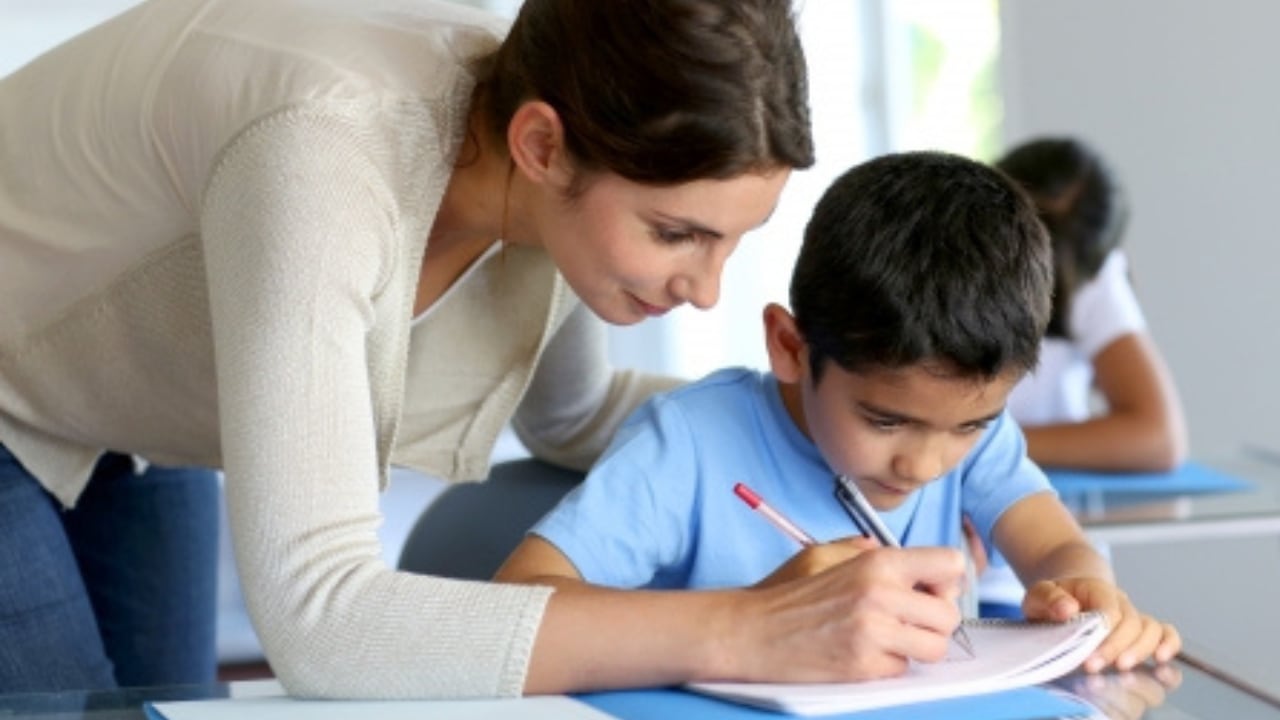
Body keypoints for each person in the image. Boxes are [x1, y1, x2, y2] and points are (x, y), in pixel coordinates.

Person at [0, 0, 947, 700]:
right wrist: (748, 630)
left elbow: (575, 415)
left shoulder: (531, 161)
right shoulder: (324, 158)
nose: (705, 289)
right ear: (542, 145)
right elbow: (321, 622)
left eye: (731, 241)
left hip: (118, 407)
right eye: (675, 234)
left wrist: (882, 429)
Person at [496, 151, 1183, 676]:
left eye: (970, 425)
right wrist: (758, 614)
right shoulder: (688, 443)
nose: (925, 464)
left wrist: (1088, 594)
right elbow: (515, 603)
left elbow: (1056, 547)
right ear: (791, 347)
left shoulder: (977, 442)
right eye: (886, 421)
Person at [973, 137, 1189, 617]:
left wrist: (981, 446)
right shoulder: (960, 263)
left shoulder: (1096, 277)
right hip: (953, 567)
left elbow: (1157, 437)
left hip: (1036, 571)